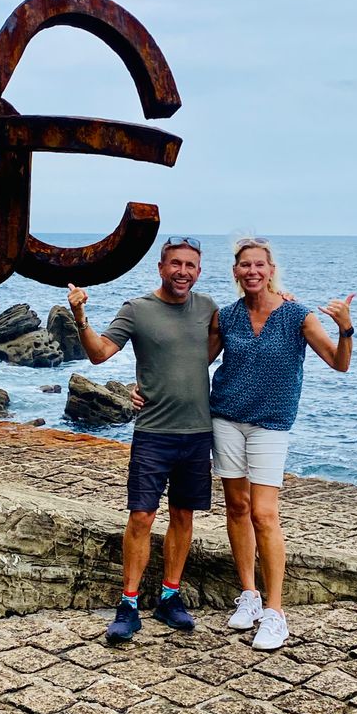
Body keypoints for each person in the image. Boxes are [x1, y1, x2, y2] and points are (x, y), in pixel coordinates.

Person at [67, 237, 217, 644]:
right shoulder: (137, 310)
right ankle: (128, 605)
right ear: (161, 267)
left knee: (183, 517)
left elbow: (218, 346)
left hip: (198, 432)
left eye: (190, 265)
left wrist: (279, 296)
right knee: (141, 517)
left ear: (198, 271)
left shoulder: (207, 309)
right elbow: (99, 354)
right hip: (153, 432)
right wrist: (80, 315)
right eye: (175, 264)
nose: (182, 271)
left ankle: (170, 597)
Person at [208, 237, 354, 650]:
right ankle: (249, 596)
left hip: (271, 425)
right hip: (226, 419)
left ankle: (276, 611)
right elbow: (192, 361)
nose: (252, 271)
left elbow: (339, 363)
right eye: (244, 266)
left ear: (271, 270)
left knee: (264, 514)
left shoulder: (296, 315)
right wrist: (148, 386)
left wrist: (345, 326)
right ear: (236, 272)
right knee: (236, 507)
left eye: (260, 265)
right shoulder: (228, 317)